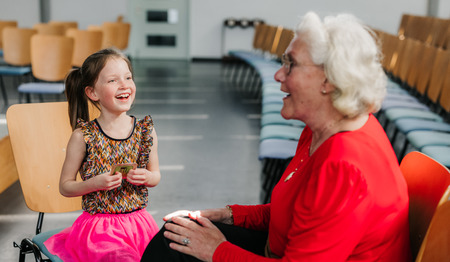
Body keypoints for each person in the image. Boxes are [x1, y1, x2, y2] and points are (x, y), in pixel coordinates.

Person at [140, 11, 411, 262]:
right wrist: (229, 215)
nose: (279, 75)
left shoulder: (344, 166)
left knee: (173, 247)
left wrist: (217, 250)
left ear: (328, 80)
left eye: (291, 64)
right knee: (176, 234)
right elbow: (296, 210)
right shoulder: (323, 129)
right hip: (281, 248)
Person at [44, 48, 161, 261]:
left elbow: (156, 176)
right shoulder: (84, 136)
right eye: (113, 81)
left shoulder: (146, 130)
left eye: (128, 77)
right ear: (92, 93)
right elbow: (65, 186)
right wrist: (94, 183)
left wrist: (147, 177)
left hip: (139, 225)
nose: (125, 85)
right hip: (98, 229)